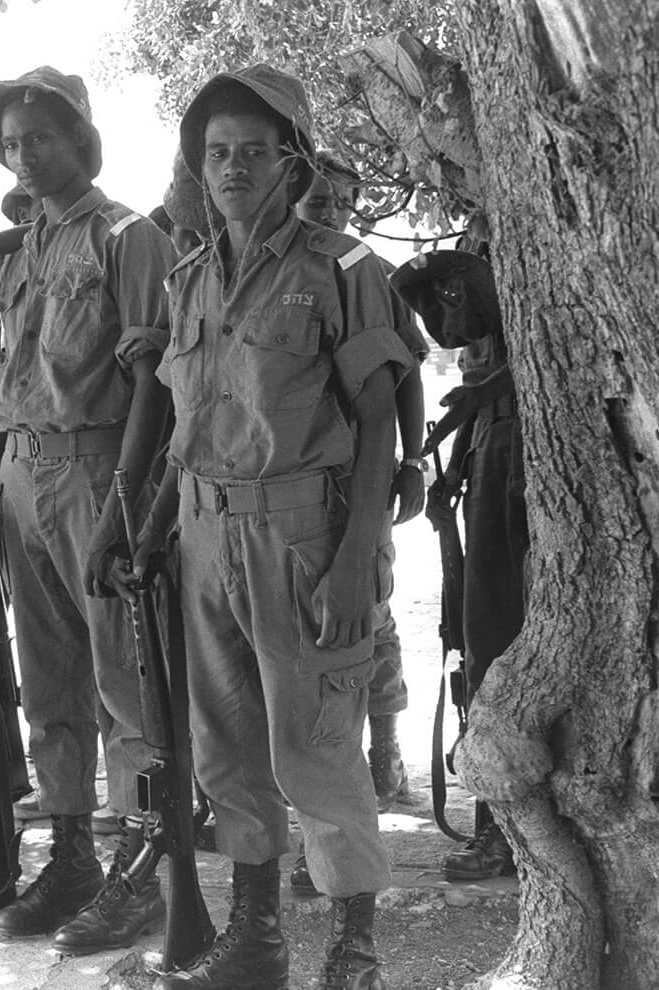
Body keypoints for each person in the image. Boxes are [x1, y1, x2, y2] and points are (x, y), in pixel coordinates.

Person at [134, 66, 413, 990]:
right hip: (205, 536)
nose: (235, 168)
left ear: (290, 163)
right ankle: (256, 940)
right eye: (218, 154)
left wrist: (355, 558)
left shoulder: (343, 267)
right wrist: (144, 532)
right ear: (198, 167)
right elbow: (190, 428)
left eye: (255, 151)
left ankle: (354, 949)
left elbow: (378, 416)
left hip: (302, 536)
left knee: (319, 746)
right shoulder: (190, 278)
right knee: (228, 749)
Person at [0, 66, 176, 952]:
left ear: (80, 139)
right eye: (9, 143)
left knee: (126, 680)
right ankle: (72, 850)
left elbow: (154, 378)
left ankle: (143, 863)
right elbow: (12, 385)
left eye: (39, 137)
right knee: (47, 680)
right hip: (22, 480)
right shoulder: (31, 242)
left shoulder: (128, 236)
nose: (23, 155)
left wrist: (125, 503)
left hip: (95, 472)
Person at [288, 154, 430, 892]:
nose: (332, 207)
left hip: (357, 484)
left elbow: (402, 374)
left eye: (345, 198)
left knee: (367, 625)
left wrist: (413, 462)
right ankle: (322, 822)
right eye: (322, 195)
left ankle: (384, 759)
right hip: (290, 493)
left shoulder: (363, 268)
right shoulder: (269, 263)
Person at [391, 238, 523, 883]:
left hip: (523, 471)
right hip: (487, 466)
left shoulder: (530, 272)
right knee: (480, 648)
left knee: (506, 648)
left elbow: (547, 359)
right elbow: (474, 382)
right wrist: (449, 475)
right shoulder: (485, 285)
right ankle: (495, 828)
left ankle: (508, 832)